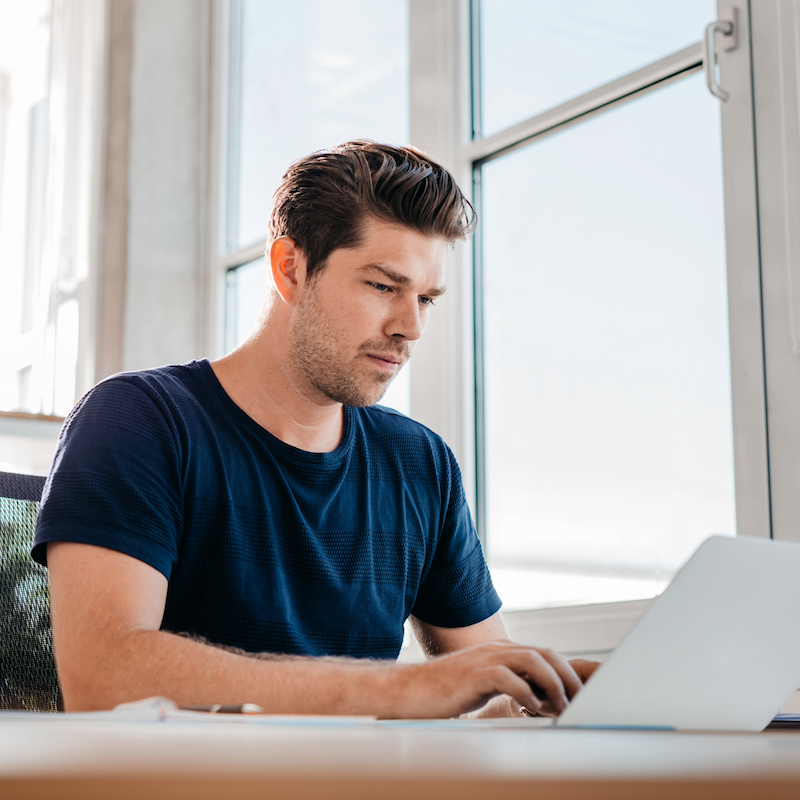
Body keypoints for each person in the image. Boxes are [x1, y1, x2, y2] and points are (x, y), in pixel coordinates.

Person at [33, 140, 596, 716]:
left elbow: (491, 680)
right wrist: (404, 689)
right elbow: (104, 678)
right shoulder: (138, 420)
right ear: (291, 269)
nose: (411, 327)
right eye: (383, 286)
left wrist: (557, 697)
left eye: (426, 298)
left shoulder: (419, 463)